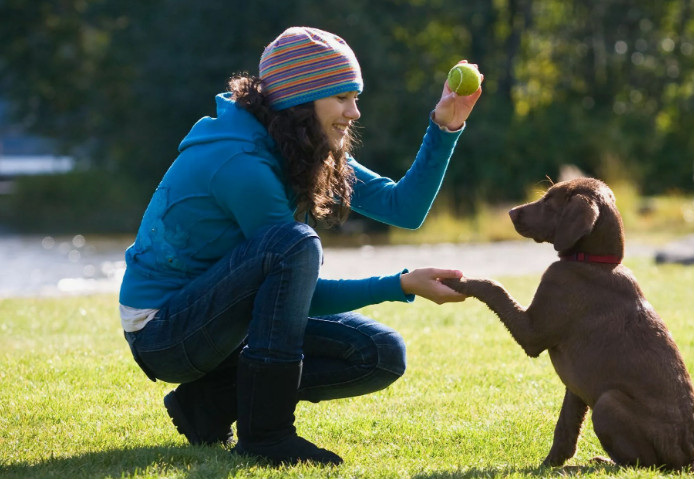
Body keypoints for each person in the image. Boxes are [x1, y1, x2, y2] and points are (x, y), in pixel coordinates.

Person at [119, 26, 482, 466]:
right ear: (300, 101)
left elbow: (402, 208)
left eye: (355, 96)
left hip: (224, 323)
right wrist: (400, 284)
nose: (355, 111)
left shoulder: (301, 143)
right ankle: (266, 436)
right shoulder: (241, 163)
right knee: (294, 244)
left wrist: (446, 125)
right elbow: (300, 288)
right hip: (165, 332)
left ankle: (208, 405)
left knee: (380, 354)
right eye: (342, 97)